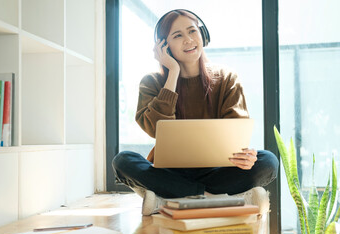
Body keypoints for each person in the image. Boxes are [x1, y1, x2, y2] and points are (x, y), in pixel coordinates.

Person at [112, 9, 279, 216]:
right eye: (178, 35)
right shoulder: (151, 82)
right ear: (164, 46)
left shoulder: (227, 78)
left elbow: (236, 131)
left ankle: (171, 198)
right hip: (169, 171)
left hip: (217, 170)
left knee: (268, 161)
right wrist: (172, 73)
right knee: (122, 161)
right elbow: (155, 129)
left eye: (192, 31)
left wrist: (246, 157)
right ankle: (216, 198)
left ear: (203, 36)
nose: (188, 39)